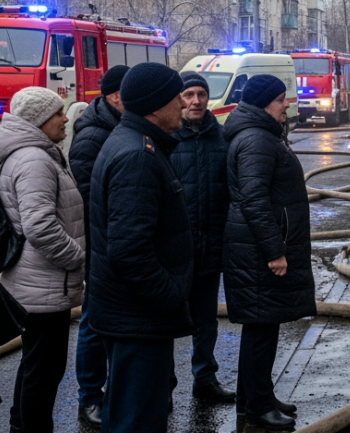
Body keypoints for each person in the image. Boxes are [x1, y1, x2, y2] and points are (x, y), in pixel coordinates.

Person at [86, 62, 194, 433]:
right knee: (137, 421)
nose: (184, 104)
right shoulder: (137, 156)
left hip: (131, 314)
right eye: (176, 97)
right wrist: (170, 296)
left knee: (125, 414)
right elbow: (129, 251)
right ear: (154, 106)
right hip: (138, 317)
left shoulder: (133, 143)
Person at [223, 75, 316, 432]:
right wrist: (274, 250)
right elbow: (254, 198)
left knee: (263, 326)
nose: (286, 105)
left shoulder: (261, 134)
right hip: (258, 251)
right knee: (261, 327)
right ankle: (258, 407)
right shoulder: (256, 140)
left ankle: (255, 399)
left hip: (255, 247)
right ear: (264, 102)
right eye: (280, 99)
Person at [0, 87, 86, 433]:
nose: (65, 119)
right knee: (43, 372)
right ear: (39, 120)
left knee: (37, 368)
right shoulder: (34, 160)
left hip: (38, 283)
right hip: (42, 286)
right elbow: (40, 226)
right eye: (58, 113)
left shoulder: (38, 154)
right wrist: (77, 258)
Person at [168, 72, 235, 403]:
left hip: (209, 247)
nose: (196, 101)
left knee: (206, 321)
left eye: (201, 95)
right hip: (173, 253)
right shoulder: (165, 138)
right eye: (189, 95)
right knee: (166, 323)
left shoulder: (222, 139)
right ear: (179, 99)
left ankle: (205, 378)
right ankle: (162, 386)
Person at [68, 65, 128, 428]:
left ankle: (106, 393)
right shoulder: (93, 136)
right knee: (93, 322)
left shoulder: (114, 127)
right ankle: (89, 396)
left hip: (113, 243)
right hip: (102, 246)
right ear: (115, 97)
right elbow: (88, 196)